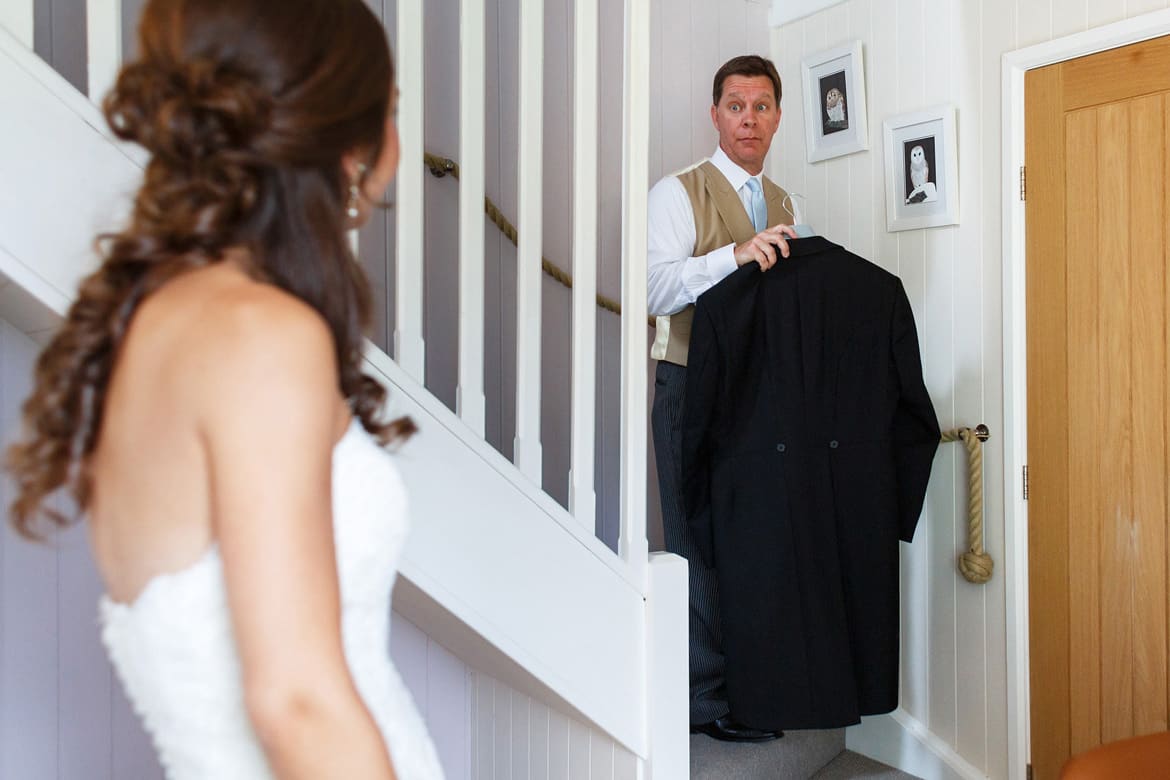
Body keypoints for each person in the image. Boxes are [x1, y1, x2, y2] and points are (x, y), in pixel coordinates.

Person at [6, 0, 443, 777]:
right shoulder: (258, 336)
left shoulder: (162, 314)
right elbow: (295, 704)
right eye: (393, 112)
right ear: (349, 142)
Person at [646, 54, 799, 743]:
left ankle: (750, 685)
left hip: (758, 396)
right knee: (693, 541)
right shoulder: (677, 193)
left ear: (776, 117)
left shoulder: (788, 204)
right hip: (690, 386)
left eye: (761, 106)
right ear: (715, 116)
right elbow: (655, 289)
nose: (748, 118)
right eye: (735, 106)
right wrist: (734, 256)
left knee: (751, 540)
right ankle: (702, 702)